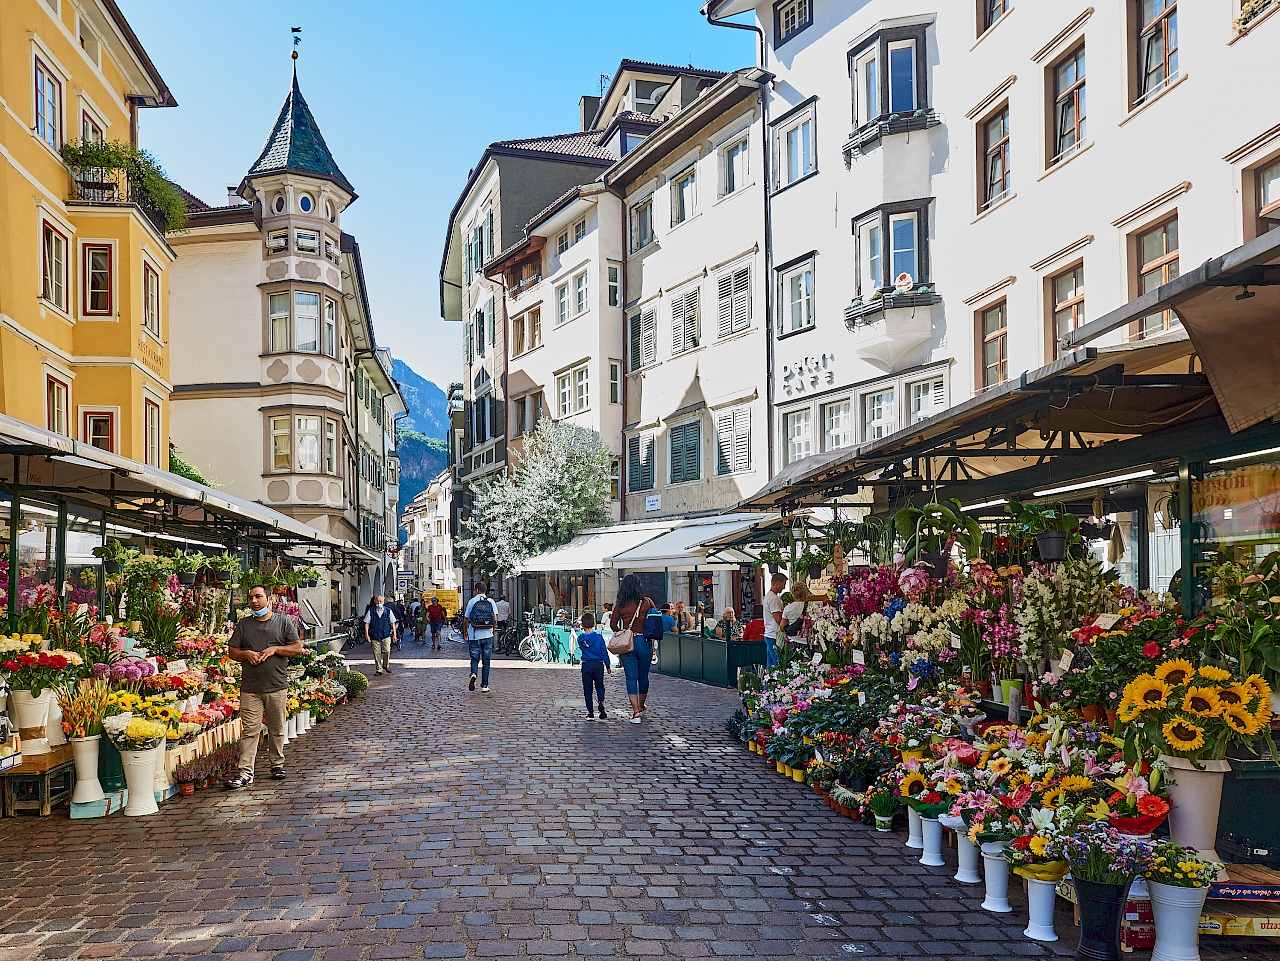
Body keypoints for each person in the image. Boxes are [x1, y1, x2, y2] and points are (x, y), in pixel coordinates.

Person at [226, 585, 304, 788]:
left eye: (258, 597)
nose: (254, 601)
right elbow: (232, 652)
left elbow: (297, 648)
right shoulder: (244, 624)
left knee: (276, 728)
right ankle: (245, 772)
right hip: (250, 688)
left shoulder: (283, 622)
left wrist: (275, 649)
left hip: (276, 686)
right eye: (251, 597)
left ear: (268, 599)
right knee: (250, 731)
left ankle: (277, 764)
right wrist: (246, 654)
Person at [609, 574, 661, 724]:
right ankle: (641, 704)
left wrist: (622, 631)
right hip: (644, 641)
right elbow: (655, 619)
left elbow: (613, 624)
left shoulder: (620, 604)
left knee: (631, 677)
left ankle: (635, 712)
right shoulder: (647, 602)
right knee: (643, 676)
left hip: (627, 643)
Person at [577, 611, 612, 720]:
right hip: (598, 665)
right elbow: (603, 652)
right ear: (594, 624)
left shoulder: (580, 638)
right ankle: (600, 702)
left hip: (586, 664)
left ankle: (590, 712)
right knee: (599, 685)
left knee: (587, 689)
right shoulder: (599, 637)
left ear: (582, 625)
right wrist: (608, 665)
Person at [463, 582, 496, 693]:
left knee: (474, 658)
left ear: (477, 590)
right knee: (486, 661)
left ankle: (473, 674)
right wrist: (493, 630)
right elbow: (495, 619)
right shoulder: (491, 601)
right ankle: (485, 685)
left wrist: (465, 633)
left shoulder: (472, 601)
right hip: (487, 635)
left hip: (474, 634)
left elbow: (465, 619)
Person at [364, 595, 397, 675]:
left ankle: (386, 665)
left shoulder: (388, 611)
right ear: (375, 601)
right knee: (376, 653)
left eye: (380, 601)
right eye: (377, 601)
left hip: (385, 634)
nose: (379, 603)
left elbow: (392, 623)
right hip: (374, 635)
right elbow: (367, 623)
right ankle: (379, 669)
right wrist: (367, 634)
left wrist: (394, 634)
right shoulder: (371, 611)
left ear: (384, 602)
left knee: (387, 650)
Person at [762, 572, 786, 668]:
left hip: (769, 634)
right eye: (783, 584)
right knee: (777, 664)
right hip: (774, 636)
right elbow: (778, 619)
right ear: (778, 583)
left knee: (771, 665)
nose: (784, 587)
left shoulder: (768, 596)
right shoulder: (774, 599)